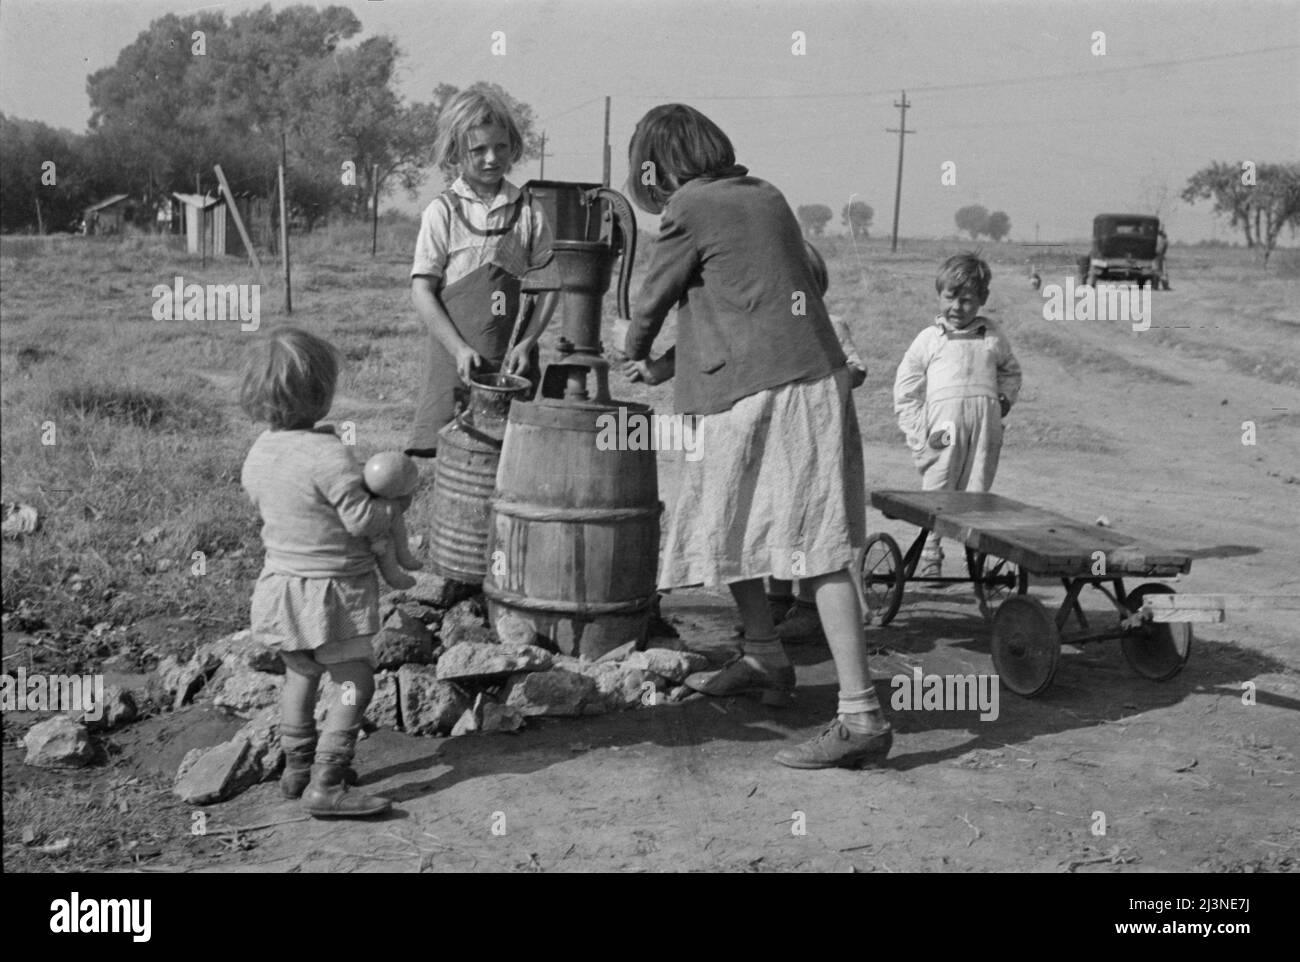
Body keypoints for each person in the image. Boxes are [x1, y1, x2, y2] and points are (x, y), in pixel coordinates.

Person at [618, 103, 892, 770]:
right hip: (785, 377)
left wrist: (631, 347)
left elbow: (651, 297)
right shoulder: (763, 196)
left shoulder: (690, 206)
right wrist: (666, 365)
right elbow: (737, 300)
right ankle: (766, 658)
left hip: (782, 387)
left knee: (814, 543)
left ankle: (860, 715)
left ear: (652, 169)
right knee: (728, 525)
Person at [240, 326, 402, 818]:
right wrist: (392, 507)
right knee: (356, 682)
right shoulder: (330, 455)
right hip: (333, 592)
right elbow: (361, 520)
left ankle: (297, 768)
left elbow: (262, 498)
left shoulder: (261, 450)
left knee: (300, 676)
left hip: (282, 587)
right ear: (324, 394)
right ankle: (328, 782)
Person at [407, 88, 557, 458]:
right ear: (456, 152)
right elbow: (422, 290)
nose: (492, 158)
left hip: (511, 359)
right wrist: (458, 348)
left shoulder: (528, 210)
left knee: (509, 455)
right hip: (455, 357)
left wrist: (527, 342)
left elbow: (550, 282)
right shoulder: (442, 212)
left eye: (501, 147)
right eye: (478, 150)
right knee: (453, 452)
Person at [893, 253, 1022, 578]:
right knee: (939, 489)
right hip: (943, 429)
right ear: (939, 294)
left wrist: (1004, 399)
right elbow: (905, 389)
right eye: (950, 297)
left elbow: (1011, 371)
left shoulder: (992, 336)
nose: (957, 307)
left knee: (977, 492)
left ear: (982, 300)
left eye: (967, 300)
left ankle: (975, 558)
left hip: (984, 428)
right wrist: (916, 429)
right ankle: (929, 557)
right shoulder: (928, 339)